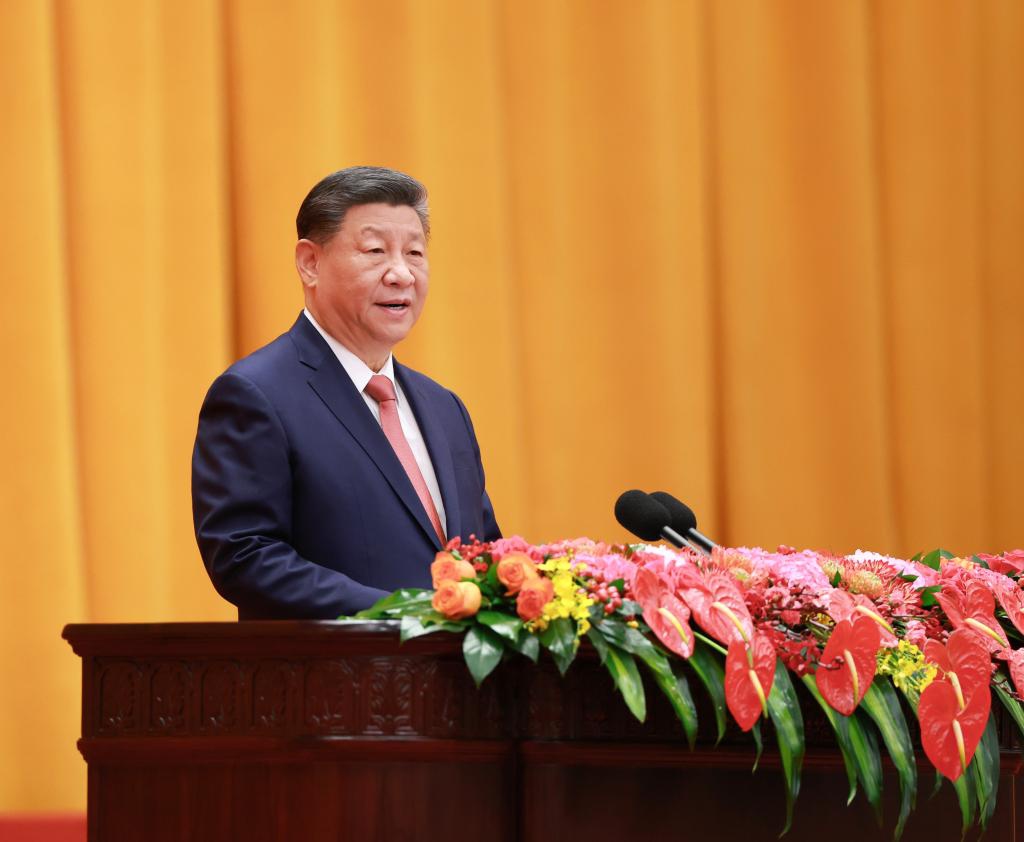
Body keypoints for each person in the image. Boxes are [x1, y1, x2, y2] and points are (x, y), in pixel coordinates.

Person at [192, 166, 500, 619]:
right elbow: (244, 556)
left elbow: (486, 553)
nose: (402, 274)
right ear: (309, 263)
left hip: (456, 684)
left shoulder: (444, 408)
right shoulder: (256, 395)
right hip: (332, 681)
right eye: (375, 251)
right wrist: (406, 613)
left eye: (415, 253)